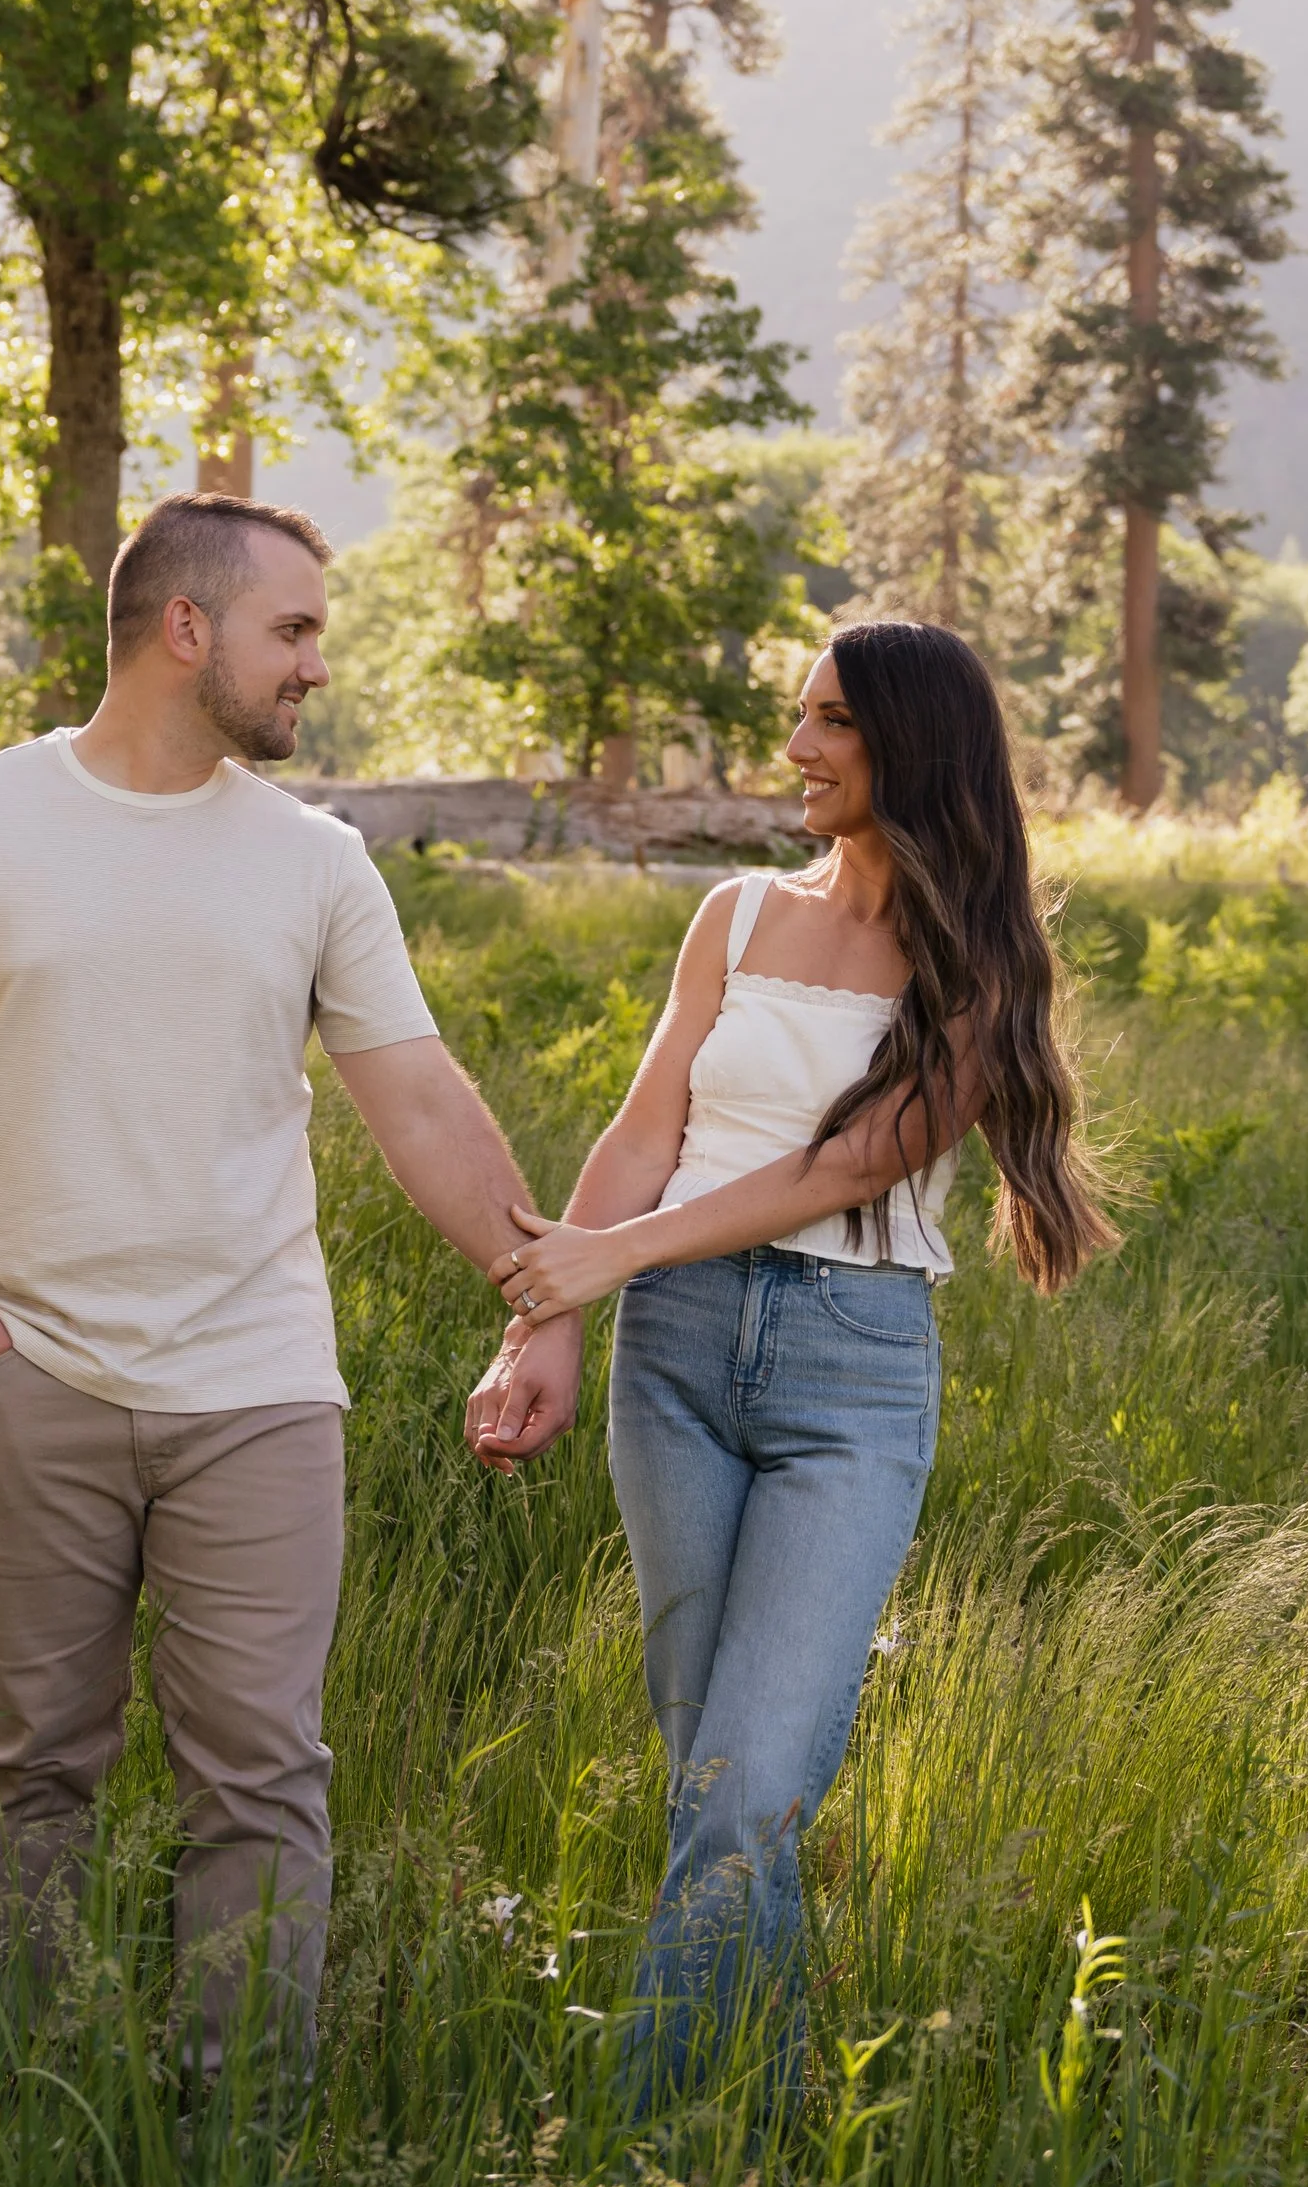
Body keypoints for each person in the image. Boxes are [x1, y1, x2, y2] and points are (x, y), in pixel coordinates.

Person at [0, 489, 562, 2070]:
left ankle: (241, 2150)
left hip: (261, 1391)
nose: (315, 669)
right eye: (294, 631)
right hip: (28, 1381)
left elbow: (416, 1096)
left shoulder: (318, 862)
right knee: (30, 1771)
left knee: (263, 1777)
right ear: (186, 627)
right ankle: (35, 2101)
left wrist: (536, 1294)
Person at [464, 620, 1114, 2096]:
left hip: (851, 1368)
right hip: (674, 1355)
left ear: (912, 748)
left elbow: (847, 1167)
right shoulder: (738, 915)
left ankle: (639, 2139)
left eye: (831, 722)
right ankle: (772, 2105)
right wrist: (548, 1315)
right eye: (800, 714)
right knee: (711, 1772)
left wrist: (615, 1256)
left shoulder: (986, 960)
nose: (799, 747)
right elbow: (643, 1132)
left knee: (748, 1784)